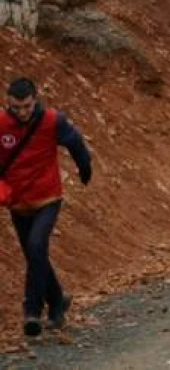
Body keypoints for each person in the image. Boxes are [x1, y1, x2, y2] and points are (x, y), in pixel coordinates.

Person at [2, 77, 92, 337]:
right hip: (17, 202)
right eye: (15, 107)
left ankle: (32, 311)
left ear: (35, 100)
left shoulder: (52, 120)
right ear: (7, 103)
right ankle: (57, 302)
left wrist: (84, 167)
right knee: (35, 255)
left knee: (36, 246)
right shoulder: (1, 124)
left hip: (47, 198)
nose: (21, 112)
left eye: (26, 106)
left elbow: (75, 142)